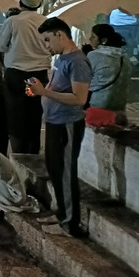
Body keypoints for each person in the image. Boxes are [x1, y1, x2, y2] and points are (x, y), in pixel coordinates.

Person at [28, 17, 91, 238]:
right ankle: (61, 211)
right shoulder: (61, 58)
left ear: (59, 35)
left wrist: (44, 93)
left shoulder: (77, 62)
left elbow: (79, 98)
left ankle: (69, 224)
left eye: (47, 40)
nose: (47, 46)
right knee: (54, 169)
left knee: (65, 172)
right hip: (54, 121)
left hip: (68, 123)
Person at [0, 0, 49, 154]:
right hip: (39, 76)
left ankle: (18, 154)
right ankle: (32, 153)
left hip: (16, 76)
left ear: (20, 3)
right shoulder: (46, 21)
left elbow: (0, 46)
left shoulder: (13, 21)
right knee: (34, 112)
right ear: (39, 4)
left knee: (16, 114)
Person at [86, 23, 130, 111]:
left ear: (103, 40)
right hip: (119, 104)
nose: (90, 39)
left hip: (99, 102)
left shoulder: (94, 55)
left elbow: (86, 79)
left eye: (93, 37)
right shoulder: (124, 56)